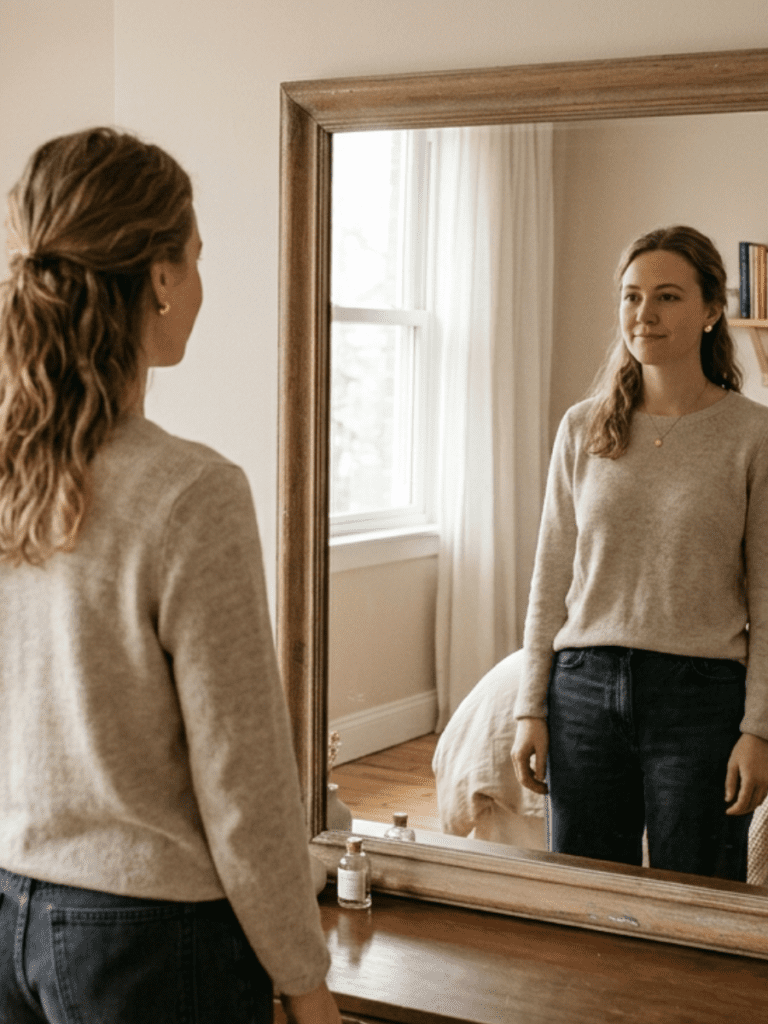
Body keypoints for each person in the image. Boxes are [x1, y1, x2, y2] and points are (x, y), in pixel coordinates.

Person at [0, 128, 341, 1024]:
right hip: (151, 940)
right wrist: (306, 986)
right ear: (157, 277)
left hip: (11, 912)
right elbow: (246, 784)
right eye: (194, 259)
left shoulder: (11, 472)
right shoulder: (194, 492)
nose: (196, 283)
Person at [511, 225, 768, 882]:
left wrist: (759, 728)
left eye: (668, 297)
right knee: (587, 909)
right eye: (631, 297)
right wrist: (529, 707)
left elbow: (767, 595)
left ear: (713, 310)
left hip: (702, 700)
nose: (644, 315)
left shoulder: (753, 435)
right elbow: (551, 579)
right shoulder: (583, 426)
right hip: (583, 692)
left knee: (696, 908)